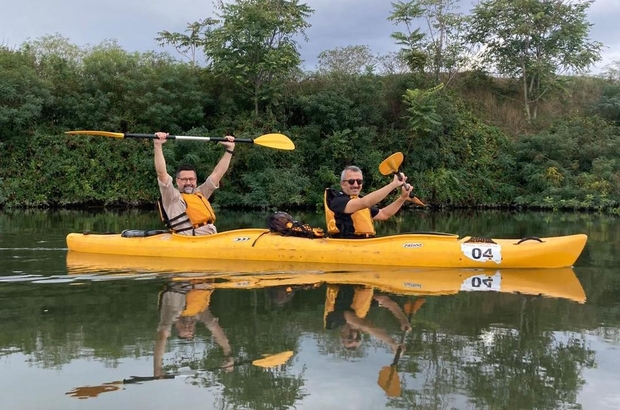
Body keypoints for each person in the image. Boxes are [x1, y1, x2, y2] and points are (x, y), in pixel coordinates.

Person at [153, 132, 235, 235]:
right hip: (191, 239)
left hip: (210, 237)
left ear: (196, 180)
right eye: (184, 179)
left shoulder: (200, 193)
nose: (188, 183)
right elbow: (162, 174)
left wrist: (229, 150)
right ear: (177, 181)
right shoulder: (171, 196)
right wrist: (158, 145)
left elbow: (217, 173)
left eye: (191, 179)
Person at [154, 279, 234, 378]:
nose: (188, 325)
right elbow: (215, 329)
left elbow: (162, 336)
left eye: (184, 328)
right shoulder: (200, 313)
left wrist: (157, 368)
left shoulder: (171, 313)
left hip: (186, 273)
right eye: (190, 329)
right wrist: (228, 355)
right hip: (206, 274)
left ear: (176, 326)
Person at [325, 165, 413, 238]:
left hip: (366, 244)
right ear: (343, 184)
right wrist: (393, 184)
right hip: (346, 246)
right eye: (351, 181)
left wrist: (402, 198)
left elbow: (384, 214)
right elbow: (365, 202)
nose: (356, 185)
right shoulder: (338, 201)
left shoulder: (358, 201)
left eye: (359, 181)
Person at [324, 284, 415, 353]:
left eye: (350, 338)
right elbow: (385, 300)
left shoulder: (333, 319)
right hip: (362, 282)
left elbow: (364, 325)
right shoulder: (362, 308)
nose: (355, 335)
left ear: (342, 333)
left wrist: (391, 342)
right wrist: (403, 320)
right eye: (358, 338)